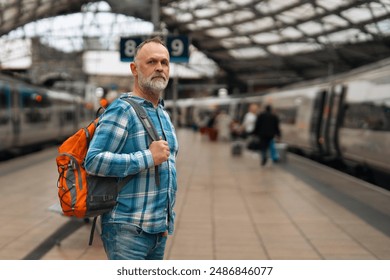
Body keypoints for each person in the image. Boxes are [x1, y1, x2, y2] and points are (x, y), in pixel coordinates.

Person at [84, 37, 179, 260]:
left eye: (164, 63)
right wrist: (147, 156)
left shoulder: (163, 114)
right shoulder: (122, 110)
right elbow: (94, 161)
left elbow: (167, 170)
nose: (159, 68)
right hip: (127, 230)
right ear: (134, 69)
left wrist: (164, 220)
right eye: (152, 62)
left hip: (157, 231)